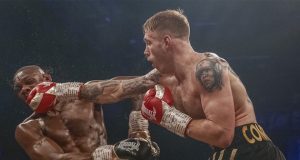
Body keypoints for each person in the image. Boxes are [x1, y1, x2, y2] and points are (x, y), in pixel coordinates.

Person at [140, 9, 286, 160]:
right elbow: (119, 89)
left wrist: (168, 117)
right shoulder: (163, 78)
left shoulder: (207, 68)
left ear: (166, 42)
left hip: (250, 150)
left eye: (148, 43)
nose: (145, 52)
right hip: (227, 152)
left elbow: (222, 135)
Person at [13, 65, 160, 160]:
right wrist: (115, 153)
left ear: (46, 79)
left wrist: (139, 135)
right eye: (18, 88)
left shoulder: (86, 96)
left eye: (29, 81)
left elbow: (141, 88)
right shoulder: (27, 128)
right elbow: (55, 158)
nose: (24, 89)